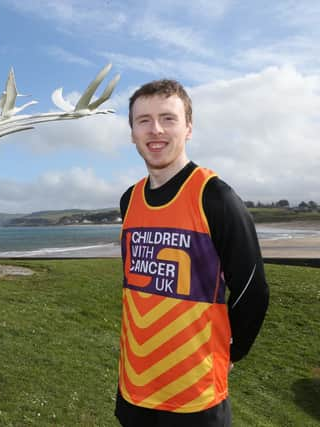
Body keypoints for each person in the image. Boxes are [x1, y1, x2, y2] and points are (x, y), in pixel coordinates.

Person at [115, 79, 269, 426]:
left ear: (188, 128)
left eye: (168, 118)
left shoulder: (216, 197)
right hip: (134, 385)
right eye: (143, 120)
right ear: (132, 133)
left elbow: (252, 291)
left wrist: (233, 351)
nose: (155, 129)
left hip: (195, 396)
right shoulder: (130, 198)